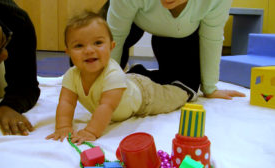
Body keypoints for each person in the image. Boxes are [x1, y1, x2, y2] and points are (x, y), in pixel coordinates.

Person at [46, 12, 196, 144]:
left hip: (144, 96)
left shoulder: (113, 74)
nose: (89, 50)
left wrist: (91, 131)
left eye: (98, 43)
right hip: (128, 83)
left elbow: (107, 106)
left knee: (169, 97)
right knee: (130, 80)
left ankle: (184, 90)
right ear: (68, 52)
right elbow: (66, 102)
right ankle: (137, 72)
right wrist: (63, 127)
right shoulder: (71, 75)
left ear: (111, 46)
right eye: (79, 46)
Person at [107, 0, 246, 100]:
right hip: (134, 24)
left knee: (188, 86)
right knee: (108, 61)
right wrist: (107, 81)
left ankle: (137, 74)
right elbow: (115, 35)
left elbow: (211, 38)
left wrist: (210, 87)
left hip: (180, 34)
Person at [0, 0, 40, 135]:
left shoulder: (14, 17)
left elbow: (25, 85)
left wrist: (10, 105)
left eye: (4, 40)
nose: (4, 55)